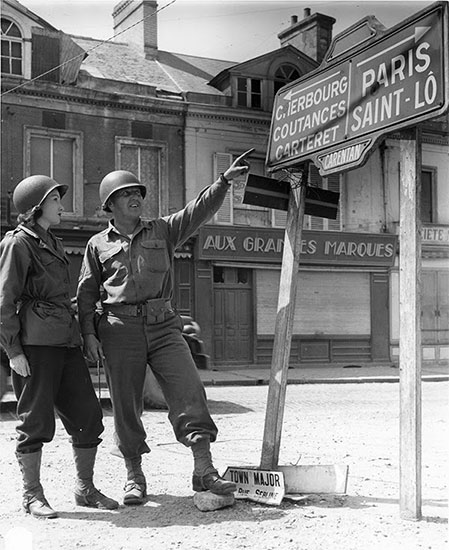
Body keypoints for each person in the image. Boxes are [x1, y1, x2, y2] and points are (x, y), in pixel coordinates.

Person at [77, 150, 252, 505]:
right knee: (126, 405)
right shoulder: (97, 245)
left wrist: (222, 184)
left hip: (164, 325)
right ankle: (134, 476)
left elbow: (197, 211)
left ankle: (204, 470)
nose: (135, 197)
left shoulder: (163, 230)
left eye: (138, 192)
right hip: (118, 327)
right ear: (110, 204)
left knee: (189, 390)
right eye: (127, 194)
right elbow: (85, 293)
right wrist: (89, 334)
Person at [0, 175, 119, 518]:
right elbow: (4, 300)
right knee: (35, 420)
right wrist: (13, 351)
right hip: (35, 344)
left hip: (65, 341)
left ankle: (84, 489)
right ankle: (32, 494)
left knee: (87, 415)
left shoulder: (50, 241)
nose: (62, 205)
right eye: (55, 200)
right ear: (36, 207)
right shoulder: (18, 244)